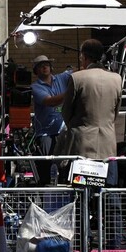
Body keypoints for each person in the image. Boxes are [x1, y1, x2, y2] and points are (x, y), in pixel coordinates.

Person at [60, 38, 123, 249]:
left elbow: (66, 112)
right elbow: (115, 112)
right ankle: (113, 245)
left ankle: (83, 246)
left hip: (82, 149)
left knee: (82, 200)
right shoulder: (117, 79)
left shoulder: (76, 78)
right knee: (110, 199)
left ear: (83, 56)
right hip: (108, 147)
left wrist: (79, 128)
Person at [30, 55, 72, 185]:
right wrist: (71, 92)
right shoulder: (36, 87)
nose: (44, 67)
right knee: (46, 165)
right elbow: (50, 102)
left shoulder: (62, 78)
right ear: (36, 70)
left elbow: (78, 73)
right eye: (40, 65)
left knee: (67, 164)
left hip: (64, 131)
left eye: (46, 64)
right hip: (45, 133)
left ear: (51, 67)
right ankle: (45, 191)